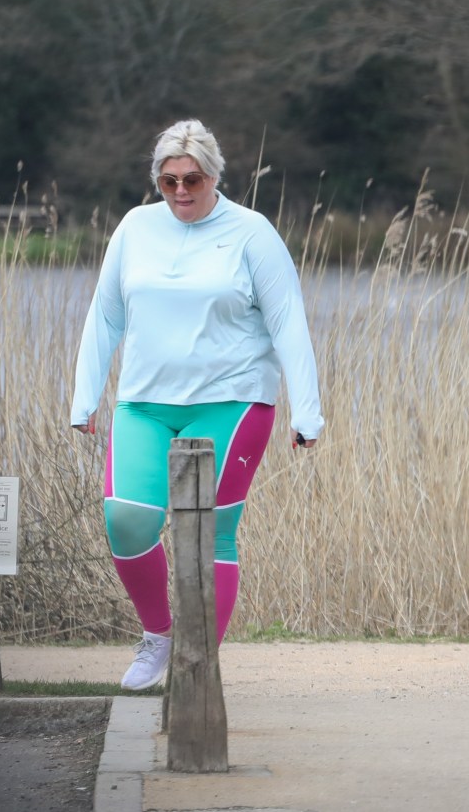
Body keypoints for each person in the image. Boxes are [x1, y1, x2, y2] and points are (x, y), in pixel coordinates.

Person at [70, 119, 324, 691]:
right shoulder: (136, 228)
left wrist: (308, 411)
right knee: (127, 519)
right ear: (156, 181)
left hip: (231, 402)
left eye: (193, 179)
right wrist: (85, 397)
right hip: (144, 402)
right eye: (168, 181)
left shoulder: (251, 233)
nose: (181, 191)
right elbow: (106, 314)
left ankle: (196, 664)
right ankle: (159, 636)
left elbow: (288, 321)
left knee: (214, 532)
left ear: (215, 176)